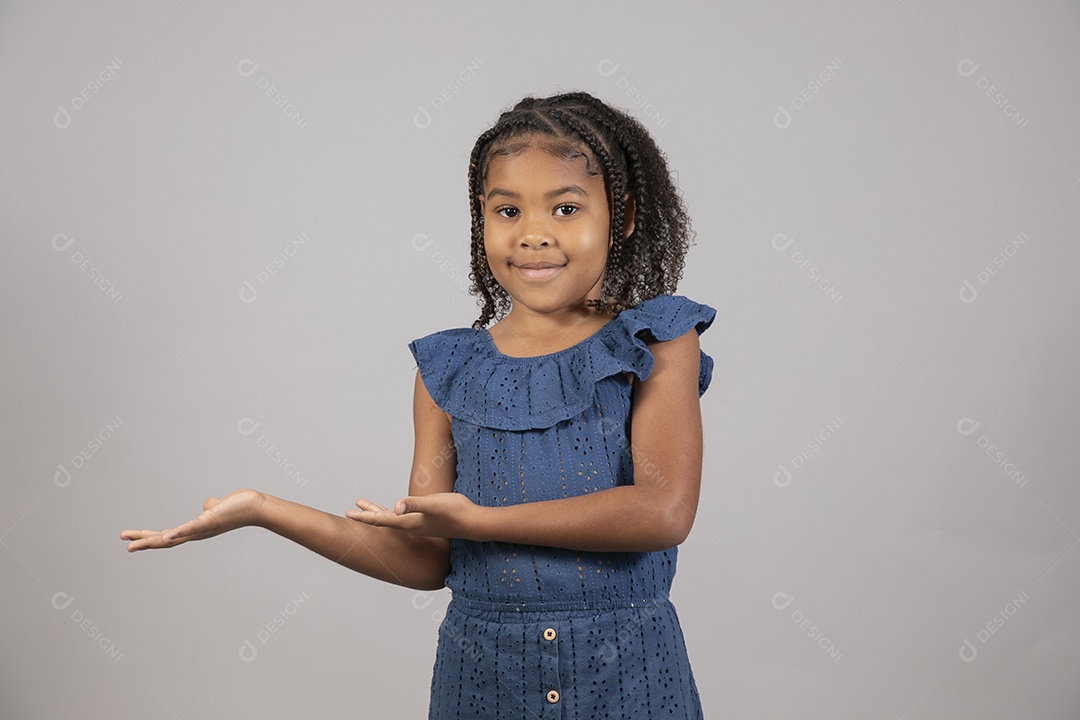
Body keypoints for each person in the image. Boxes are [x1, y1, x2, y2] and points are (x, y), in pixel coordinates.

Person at [120, 90, 717, 719]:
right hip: (483, 682)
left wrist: (476, 521)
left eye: (566, 207)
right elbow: (426, 555)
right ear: (480, 220)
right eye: (507, 210)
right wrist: (263, 510)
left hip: (630, 677)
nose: (534, 234)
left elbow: (663, 511)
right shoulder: (448, 369)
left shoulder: (657, 339)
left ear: (621, 217)